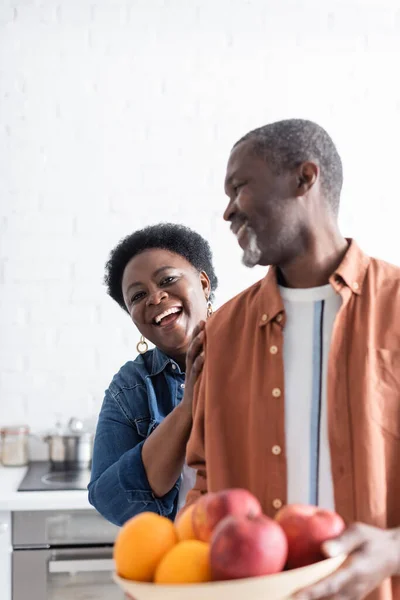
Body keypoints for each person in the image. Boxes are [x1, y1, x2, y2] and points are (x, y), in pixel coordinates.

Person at [185, 119, 400, 600]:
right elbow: (202, 480)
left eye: (239, 186)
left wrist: (392, 550)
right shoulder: (221, 334)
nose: (226, 213)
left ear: (305, 178)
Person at [88, 223, 218, 526]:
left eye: (168, 279)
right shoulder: (130, 387)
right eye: (137, 296)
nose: (155, 298)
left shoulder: (257, 347)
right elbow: (111, 501)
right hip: (181, 558)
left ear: (203, 283)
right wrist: (187, 408)